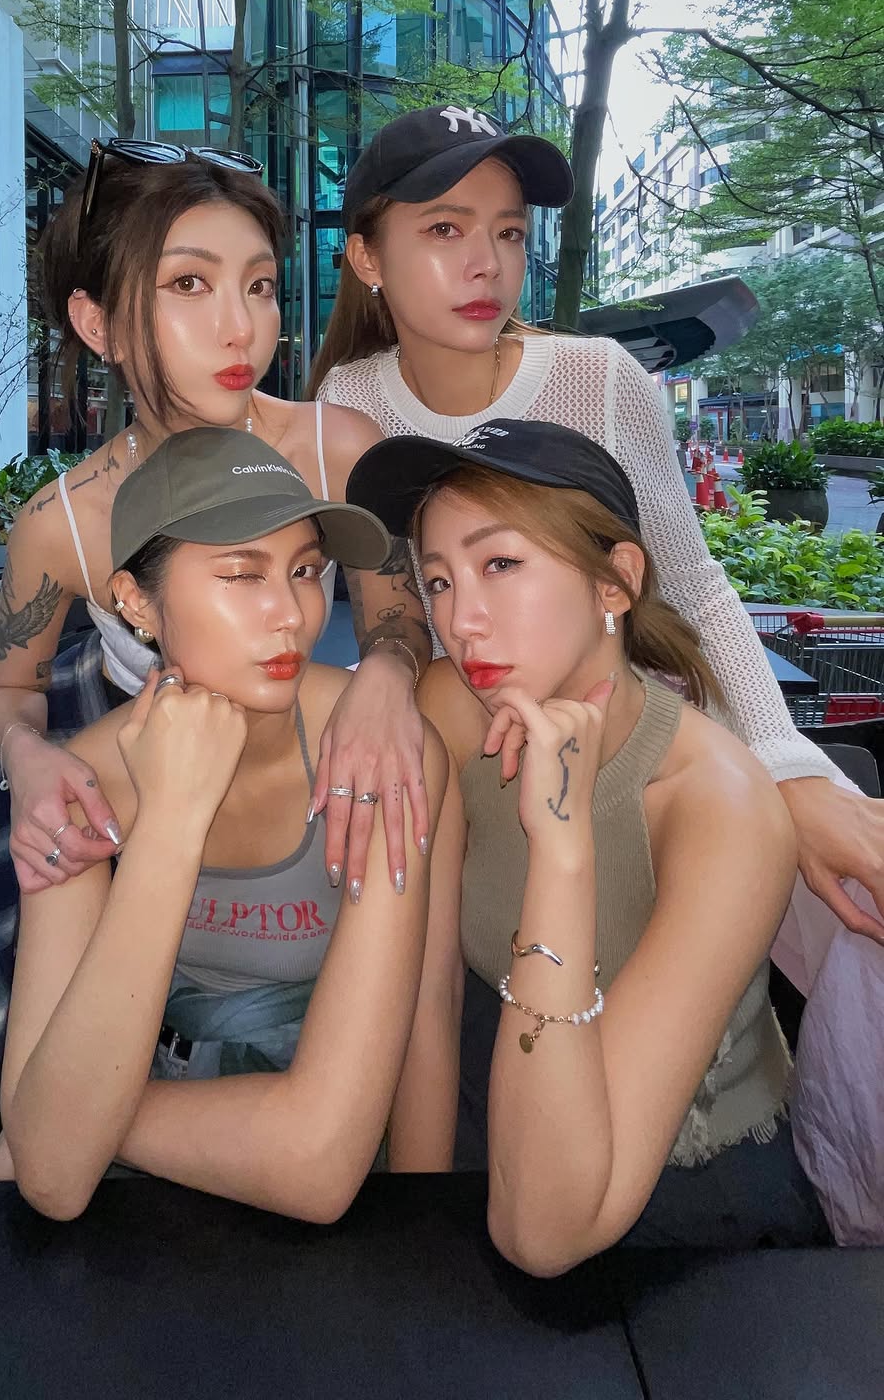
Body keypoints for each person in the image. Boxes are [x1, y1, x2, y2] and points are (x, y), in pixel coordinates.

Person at [310, 102, 884, 948]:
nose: (486, 264)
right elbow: (395, 614)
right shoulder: (348, 402)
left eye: (509, 233)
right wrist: (381, 678)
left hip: (647, 738)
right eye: (444, 229)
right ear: (367, 257)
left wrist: (791, 771)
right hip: (482, 754)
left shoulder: (598, 377)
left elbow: (694, 589)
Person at [349, 419, 828, 1270]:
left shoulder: (721, 808)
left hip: (690, 1210)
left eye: (501, 564)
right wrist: (418, 1226)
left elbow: (546, 1232)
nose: (461, 620)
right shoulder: (454, 709)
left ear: (616, 581)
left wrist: (562, 849)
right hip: (496, 1116)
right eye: (439, 580)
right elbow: (427, 996)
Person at [0, 426, 455, 1220]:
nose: (291, 615)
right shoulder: (82, 789)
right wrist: (170, 822)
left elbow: (323, 1157)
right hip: (146, 1203)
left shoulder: (375, 751)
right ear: (137, 602)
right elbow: (54, 1180)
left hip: (342, 1192)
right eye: (241, 574)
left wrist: (70, 1119)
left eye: (304, 571)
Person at [0, 137, 432, 899]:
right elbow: (5, 690)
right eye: (189, 283)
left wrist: (386, 677)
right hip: (132, 789)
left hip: (305, 763)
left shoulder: (336, 449)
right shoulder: (64, 522)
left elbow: (398, 616)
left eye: (259, 286)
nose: (241, 327)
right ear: (99, 324)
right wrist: (23, 755)